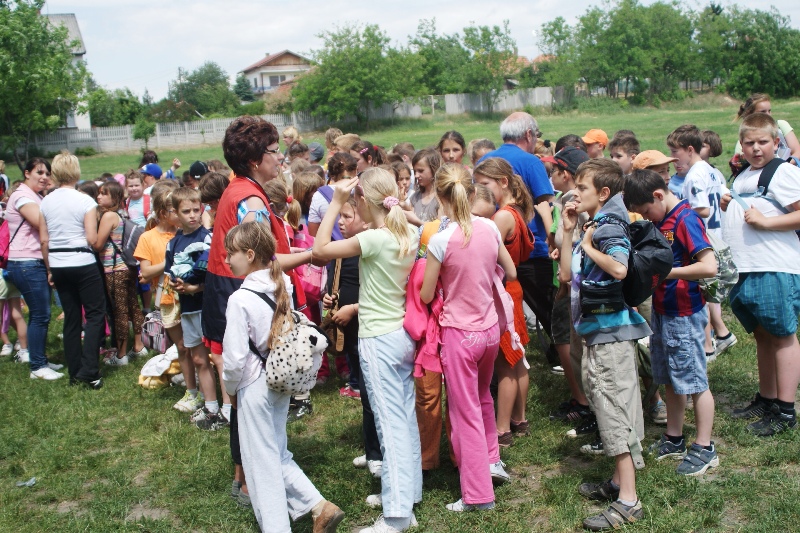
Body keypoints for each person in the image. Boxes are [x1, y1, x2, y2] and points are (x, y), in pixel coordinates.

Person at [313, 167, 420, 533]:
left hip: (378, 338)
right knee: (404, 420)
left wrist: (335, 203)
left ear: (362, 200)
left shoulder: (374, 238)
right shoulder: (407, 233)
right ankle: (407, 497)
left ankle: (396, 516)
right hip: (401, 335)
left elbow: (319, 250)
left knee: (389, 426)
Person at [221, 221, 344, 533]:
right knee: (277, 451)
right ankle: (319, 507)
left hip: (252, 385)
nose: (227, 259)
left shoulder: (240, 300)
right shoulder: (282, 285)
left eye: (231, 253)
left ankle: (277, 527)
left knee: (261, 463)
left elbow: (234, 358)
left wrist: (230, 390)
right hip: (279, 381)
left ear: (250, 254)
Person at [559, 159, 651, 531]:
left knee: (614, 412)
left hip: (610, 335)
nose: (575, 193)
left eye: (582, 187)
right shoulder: (594, 223)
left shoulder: (608, 225)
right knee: (608, 404)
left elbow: (619, 268)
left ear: (604, 193)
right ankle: (617, 482)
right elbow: (566, 276)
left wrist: (586, 243)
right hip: (600, 332)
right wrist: (569, 233)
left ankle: (628, 501)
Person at [420, 163, 515, 512]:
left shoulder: (440, 240)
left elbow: (426, 294)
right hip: (489, 331)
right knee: (482, 398)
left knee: (465, 413)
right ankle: (491, 461)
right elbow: (511, 271)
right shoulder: (489, 227)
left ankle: (478, 495)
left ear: (440, 197)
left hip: (460, 336)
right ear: (473, 193)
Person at [624, 169, 720, 475]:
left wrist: (666, 272)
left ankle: (705, 447)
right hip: (663, 311)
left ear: (658, 195)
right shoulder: (660, 220)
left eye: (645, 211)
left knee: (694, 381)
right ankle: (674, 437)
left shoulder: (685, 219)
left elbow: (709, 266)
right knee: (669, 377)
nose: (645, 217)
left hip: (684, 313)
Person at [721, 112, 800, 436]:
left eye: (763, 142)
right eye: (750, 143)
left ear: (776, 142)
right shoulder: (743, 175)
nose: (756, 148)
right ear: (741, 145)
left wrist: (767, 223)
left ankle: (785, 410)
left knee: (782, 336)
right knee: (763, 336)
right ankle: (767, 399)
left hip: (774, 267)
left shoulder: (782, 172)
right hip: (747, 268)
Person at [479, 112, 557, 365]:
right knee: (548, 307)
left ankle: (506, 348)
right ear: (529, 134)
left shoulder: (484, 161)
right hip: (531, 249)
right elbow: (547, 203)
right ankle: (560, 352)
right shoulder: (531, 162)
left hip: (496, 250)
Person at [472, 158, 535, 448]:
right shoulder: (516, 210)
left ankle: (501, 429)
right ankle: (520, 419)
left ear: (503, 182)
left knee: (506, 363)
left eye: (485, 184)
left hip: (502, 292)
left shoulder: (501, 217)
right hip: (513, 289)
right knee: (518, 359)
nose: (479, 190)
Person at [537, 147, 593, 426]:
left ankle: (583, 402)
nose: (551, 176)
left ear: (567, 174)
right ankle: (582, 398)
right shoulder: (564, 199)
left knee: (568, 340)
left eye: (555, 171)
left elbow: (586, 238)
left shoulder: (574, 201)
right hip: (566, 278)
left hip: (573, 284)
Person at [40, 152, 104, 387]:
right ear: (76, 171)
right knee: (95, 314)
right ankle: (90, 369)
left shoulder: (46, 201)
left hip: (58, 261)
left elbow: (44, 240)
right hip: (82, 261)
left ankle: (74, 371)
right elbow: (92, 238)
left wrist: (49, 269)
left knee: (71, 317)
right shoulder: (85, 201)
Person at [164, 187, 224, 428]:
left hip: (210, 306)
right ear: (175, 213)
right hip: (189, 309)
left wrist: (195, 288)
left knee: (219, 357)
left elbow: (219, 276)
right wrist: (177, 285)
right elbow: (170, 273)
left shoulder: (209, 237)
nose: (192, 215)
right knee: (199, 359)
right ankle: (210, 406)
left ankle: (230, 407)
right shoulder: (173, 244)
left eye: (196, 210)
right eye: (186, 211)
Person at [6, 158, 63, 378]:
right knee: (40, 315)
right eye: (39, 172)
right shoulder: (22, 196)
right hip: (26, 263)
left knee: (42, 314)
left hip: (34, 261)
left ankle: (40, 358)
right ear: (27, 173)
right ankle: (37, 367)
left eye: (47, 173)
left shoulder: (36, 195)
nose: (44, 177)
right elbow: (41, 222)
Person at [93, 181, 146, 364]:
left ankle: (121, 354)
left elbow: (98, 244)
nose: (99, 197)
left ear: (114, 197)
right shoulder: (121, 214)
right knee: (133, 306)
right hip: (127, 267)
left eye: (103, 194)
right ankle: (139, 345)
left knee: (119, 311)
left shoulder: (108, 216)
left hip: (115, 269)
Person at [698, 130, 737, 360]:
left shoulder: (700, 175)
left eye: (702, 144)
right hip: (712, 237)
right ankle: (718, 334)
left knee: (706, 290)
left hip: (709, 238)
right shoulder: (714, 173)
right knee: (710, 290)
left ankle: (712, 340)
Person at [734, 93, 800, 162]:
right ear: (750, 114)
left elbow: (797, 151)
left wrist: (784, 166)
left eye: (769, 111)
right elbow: (740, 164)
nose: (768, 115)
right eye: (763, 112)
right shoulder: (744, 142)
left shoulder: (780, 126)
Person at [408, 148, 442, 223]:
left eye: (421, 171)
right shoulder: (415, 197)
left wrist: (418, 222)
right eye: (415, 171)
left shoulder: (441, 198)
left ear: (434, 169)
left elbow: (440, 226)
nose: (416, 175)